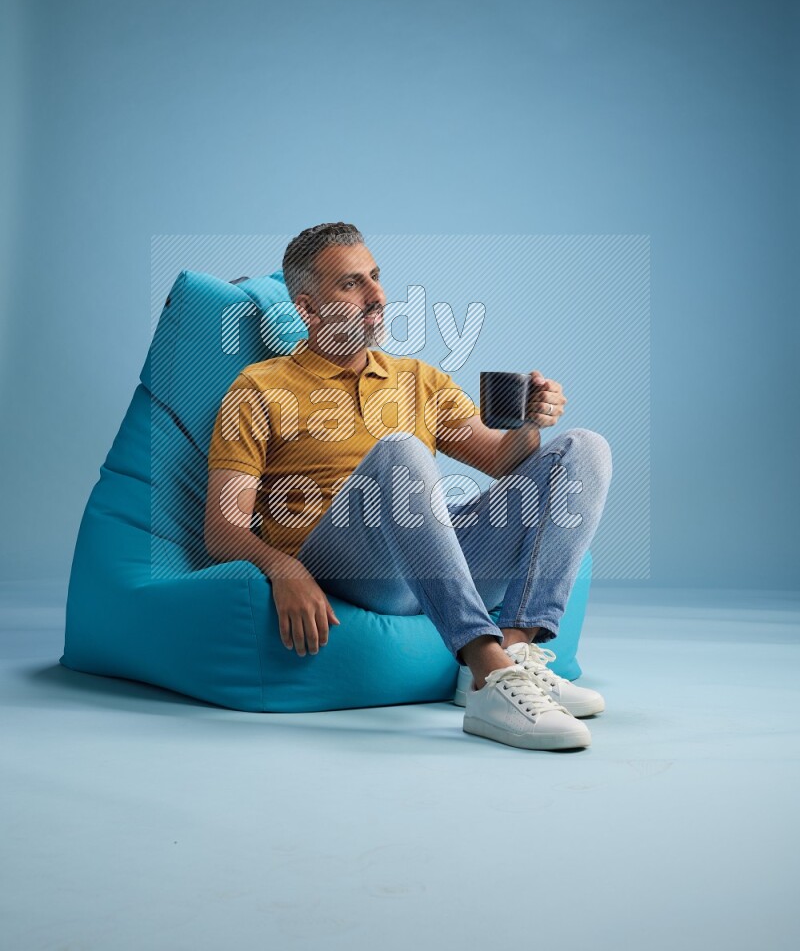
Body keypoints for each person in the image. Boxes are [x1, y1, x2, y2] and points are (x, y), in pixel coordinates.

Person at [204, 222, 613, 751]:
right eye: (351, 285)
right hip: (350, 564)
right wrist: (286, 567)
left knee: (584, 449)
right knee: (402, 450)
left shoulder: (418, 378)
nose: (377, 296)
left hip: (429, 556)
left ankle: (512, 656)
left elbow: (501, 460)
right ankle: (487, 672)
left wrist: (529, 422)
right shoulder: (260, 387)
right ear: (307, 309)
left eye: (375, 277)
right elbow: (221, 527)